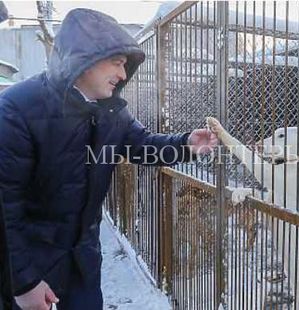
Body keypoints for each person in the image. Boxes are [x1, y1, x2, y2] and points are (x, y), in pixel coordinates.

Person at [0, 8, 218, 310]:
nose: (122, 74)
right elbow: (5, 206)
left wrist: (186, 144)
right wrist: (23, 283)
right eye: (117, 62)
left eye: (125, 65)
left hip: (83, 262)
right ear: (85, 58)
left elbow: (142, 145)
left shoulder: (112, 111)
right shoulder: (18, 108)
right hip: (33, 262)